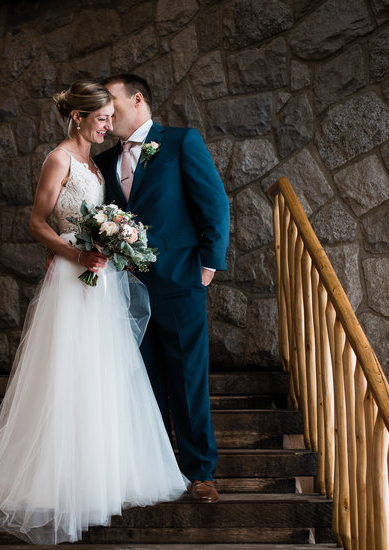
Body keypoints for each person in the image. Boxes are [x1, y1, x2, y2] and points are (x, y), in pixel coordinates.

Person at [0, 80, 189, 544]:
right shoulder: (59, 159)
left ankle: (104, 473)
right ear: (79, 117)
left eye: (112, 118)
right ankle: (60, 478)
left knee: (105, 374)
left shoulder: (95, 162)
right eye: (102, 119)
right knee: (68, 374)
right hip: (73, 281)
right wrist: (72, 254)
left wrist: (116, 239)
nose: (109, 126)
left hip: (102, 279)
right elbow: (36, 221)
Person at [94, 74, 231, 503]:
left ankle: (200, 473)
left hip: (180, 280)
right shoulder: (103, 163)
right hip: (126, 289)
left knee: (188, 378)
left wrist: (207, 268)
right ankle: (155, 471)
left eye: (111, 100)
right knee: (143, 380)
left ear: (137, 100)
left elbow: (214, 205)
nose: (107, 110)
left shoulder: (180, 142)